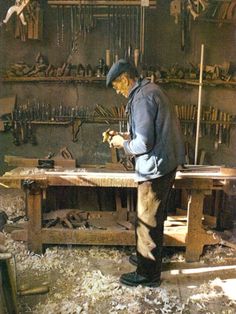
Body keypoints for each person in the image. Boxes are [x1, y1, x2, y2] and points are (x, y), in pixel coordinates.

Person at [106, 59, 185, 287]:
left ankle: (147, 274)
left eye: (117, 85)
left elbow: (144, 144)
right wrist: (126, 135)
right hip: (164, 164)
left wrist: (123, 143)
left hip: (155, 168)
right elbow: (149, 133)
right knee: (154, 218)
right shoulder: (150, 90)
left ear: (125, 79)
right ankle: (146, 258)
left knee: (147, 221)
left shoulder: (141, 98)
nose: (117, 91)